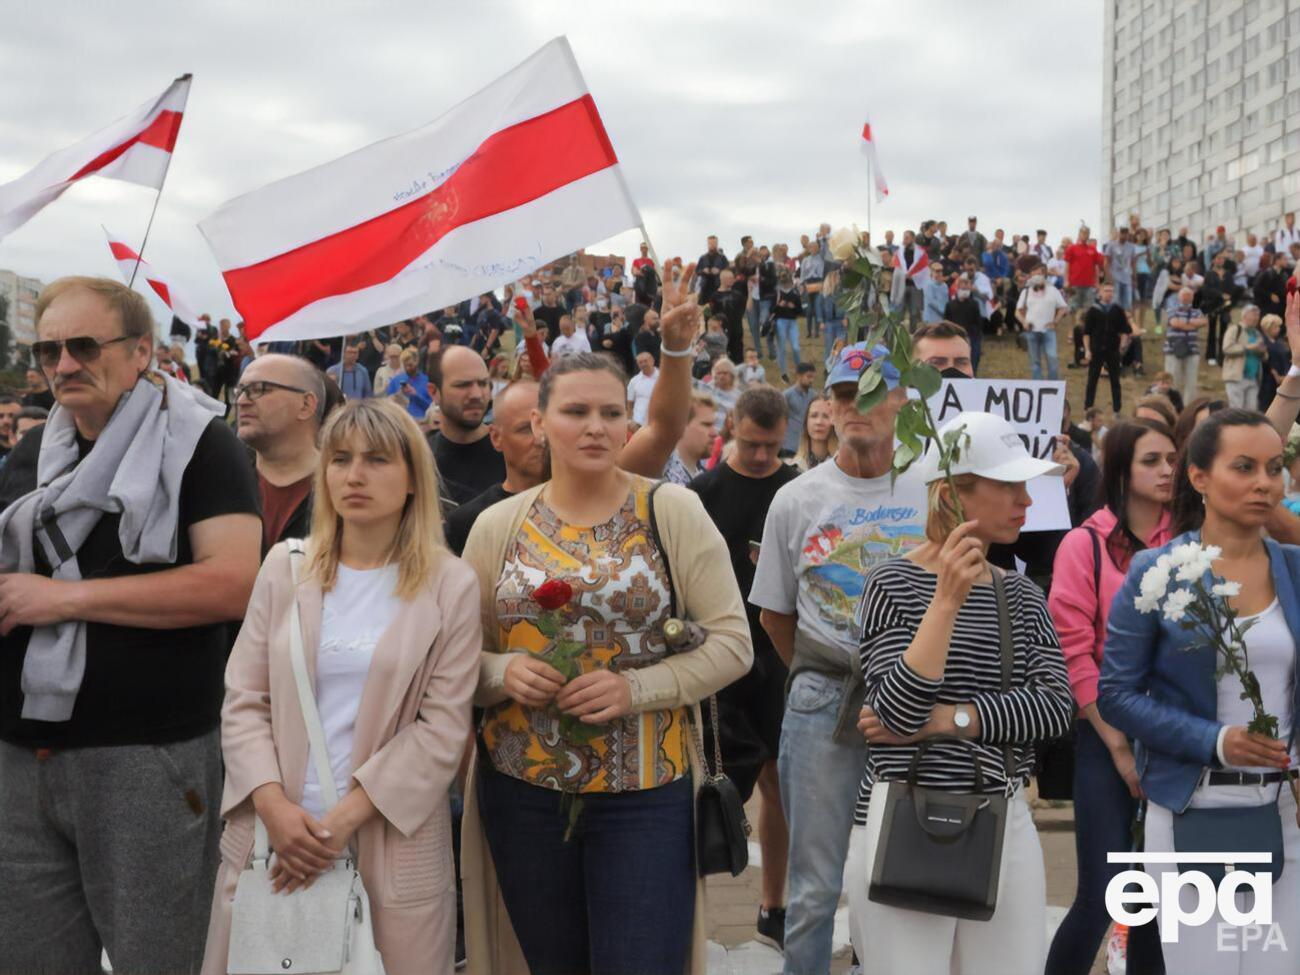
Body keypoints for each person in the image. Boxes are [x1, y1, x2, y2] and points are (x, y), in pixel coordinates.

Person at [0, 277, 261, 974]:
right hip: (21, 757)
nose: (62, 363)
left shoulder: (203, 444)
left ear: (141, 350)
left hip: (146, 757)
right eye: (48, 347)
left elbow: (234, 583)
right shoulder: (35, 452)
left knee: (160, 962)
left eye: (84, 344)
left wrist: (63, 601)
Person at [459, 352, 751, 975]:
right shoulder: (495, 526)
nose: (595, 426)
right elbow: (457, 658)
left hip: (645, 792)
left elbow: (733, 643)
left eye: (611, 412)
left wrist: (637, 688)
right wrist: (501, 673)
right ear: (538, 424)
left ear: (628, 425)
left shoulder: (670, 510)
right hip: (522, 794)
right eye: (575, 411)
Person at [202, 399, 481, 975]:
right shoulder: (285, 567)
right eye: (341, 459)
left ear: (412, 479)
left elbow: (442, 727)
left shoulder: (449, 584)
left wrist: (337, 825)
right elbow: (245, 699)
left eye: (377, 460)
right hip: (271, 844)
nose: (354, 475)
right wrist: (274, 807)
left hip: (387, 844)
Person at [846, 410, 1074, 975]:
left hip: (1002, 815)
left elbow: (1054, 709)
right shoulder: (892, 582)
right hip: (903, 811)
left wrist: (953, 719)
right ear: (951, 495)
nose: (1027, 499)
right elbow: (897, 714)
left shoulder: (1021, 593)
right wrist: (945, 601)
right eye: (1009, 485)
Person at [1099, 409, 1300, 975]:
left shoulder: (1295, 569)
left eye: (1274, 467)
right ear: (1199, 477)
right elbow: (1116, 693)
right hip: (1195, 808)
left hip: (1285, 812)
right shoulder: (1156, 572)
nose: (1264, 482)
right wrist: (1216, 740)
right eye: (1244, 467)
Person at [751, 342, 929, 975]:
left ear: (902, 399)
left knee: (917, 875)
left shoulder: (932, 488)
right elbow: (774, 613)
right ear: (826, 404)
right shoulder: (796, 499)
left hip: (920, 704)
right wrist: (825, 672)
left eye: (872, 391)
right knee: (812, 887)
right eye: (844, 395)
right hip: (822, 702)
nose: (856, 407)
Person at [1044, 420, 1176, 975]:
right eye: (1152, 460)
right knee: (1103, 890)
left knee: (1157, 902)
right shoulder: (1085, 543)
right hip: (1105, 731)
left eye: (1172, 458)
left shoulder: (1193, 539)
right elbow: (1074, 650)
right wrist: (1118, 746)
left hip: (1176, 734)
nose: (1168, 470)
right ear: (1121, 470)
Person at [689, 385, 801, 951]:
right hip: (716, 659)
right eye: (753, 445)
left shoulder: (797, 489)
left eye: (772, 447)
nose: (761, 457)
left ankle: (774, 905)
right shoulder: (702, 493)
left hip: (780, 657)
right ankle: (696, 916)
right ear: (731, 427)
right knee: (710, 790)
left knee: (781, 786)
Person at [235, 354, 327, 554]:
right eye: (240, 390)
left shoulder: (344, 491)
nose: (242, 401)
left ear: (306, 405)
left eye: (259, 389)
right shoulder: (221, 484)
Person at [427, 346, 506, 508]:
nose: (477, 394)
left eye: (483, 384)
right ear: (434, 392)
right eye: (463, 385)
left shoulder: (511, 449)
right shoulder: (421, 458)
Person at [1082, 283, 1132, 414]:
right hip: (1096, 349)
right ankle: (1088, 407)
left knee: (1115, 380)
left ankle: (1117, 409)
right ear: (1100, 293)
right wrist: (1087, 350)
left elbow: (1126, 330)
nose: (1109, 294)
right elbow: (1086, 333)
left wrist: (1122, 344)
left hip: (1112, 349)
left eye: (1111, 291)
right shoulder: (1093, 311)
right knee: (1092, 379)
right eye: (1106, 291)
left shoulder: (1117, 310)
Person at [1015, 271, 1068, 380]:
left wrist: (1055, 321)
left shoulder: (1053, 291)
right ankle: (1037, 388)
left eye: (1040, 275)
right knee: (1035, 362)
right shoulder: (1026, 292)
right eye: (1035, 275)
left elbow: (1063, 307)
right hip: (1032, 330)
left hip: (1048, 331)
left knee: (1052, 358)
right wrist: (1024, 322)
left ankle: (1053, 387)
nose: (1038, 278)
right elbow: (1017, 311)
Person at [1163, 286, 1208, 405]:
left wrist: (1184, 323)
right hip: (1173, 350)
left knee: (1191, 382)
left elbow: (1204, 322)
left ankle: (1188, 407)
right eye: (1184, 295)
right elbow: (1175, 323)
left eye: (1189, 296)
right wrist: (1192, 324)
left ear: (1192, 298)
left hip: (1192, 350)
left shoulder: (1197, 311)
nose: (1186, 298)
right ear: (1179, 297)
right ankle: (1173, 405)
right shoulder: (1172, 309)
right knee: (1173, 380)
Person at [663, 390, 717, 486]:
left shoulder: (707, 481)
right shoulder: (659, 468)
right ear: (681, 425)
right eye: (706, 425)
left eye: (714, 425)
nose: (714, 433)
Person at [1222, 303, 1267, 411]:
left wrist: (1262, 352)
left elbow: (1265, 357)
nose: (1257, 318)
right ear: (1244, 315)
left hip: (1253, 378)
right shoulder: (1234, 329)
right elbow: (1227, 349)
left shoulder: (1257, 333)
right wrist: (1249, 347)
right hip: (1236, 377)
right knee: (1237, 411)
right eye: (1254, 315)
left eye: (1258, 315)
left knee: (1251, 413)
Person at [943, 279, 986, 374]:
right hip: (954, 337)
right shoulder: (950, 305)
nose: (965, 291)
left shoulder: (974, 304)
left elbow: (978, 323)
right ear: (958, 289)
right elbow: (946, 322)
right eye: (963, 288)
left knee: (973, 359)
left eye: (967, 289)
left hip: (972, 337)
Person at [1064, 227, 1107, 320]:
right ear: (1079, 234)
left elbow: (1096, 267)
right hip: (1074, 283)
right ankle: (1073, 330)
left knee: (1088, 309)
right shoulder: (1071, 248)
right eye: (1083, 233)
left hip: (1089, 285)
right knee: (1073, 308)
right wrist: (1066, 280)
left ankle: (1085, 330)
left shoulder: (1092, 249)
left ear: (1089, 235)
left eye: (1086, 233)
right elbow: (1067, 266)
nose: (1084, 235)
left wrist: (1097, 282)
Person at [772, 268, 804, 382]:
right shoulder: (777, 294)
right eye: (782, 280)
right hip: (780, 321)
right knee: (782, 349)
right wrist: (779, 305)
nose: (785, 283)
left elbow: (800, 311)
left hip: (792, 322)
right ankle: (784, 373)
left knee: (795, 347)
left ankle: (799, 369)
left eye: (786, 280)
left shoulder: (794, 294)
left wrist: (793, 307)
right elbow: (772, 311)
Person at [781, 362, 818, 457]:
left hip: (808, 446)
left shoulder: (814, 396)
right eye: (808, 376)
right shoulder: (787, 395)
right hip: (789, 446)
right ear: (799, 376)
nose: (811, 380)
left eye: (813, 377)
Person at [385, 347, 433, 419]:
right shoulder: (396, 380)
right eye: (405, 365)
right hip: (401, 421)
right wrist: (398, 396)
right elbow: (388, 405)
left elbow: (432, 408)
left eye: (410, 365)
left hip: (422, 422)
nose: (407, 368)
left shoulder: (427, 381)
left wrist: (415, 395)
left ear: (417, 361)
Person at [792, 395, 836, 471]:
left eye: (826, 416)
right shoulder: (793, 467)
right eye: (814, 416)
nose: (819, 422)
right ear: (806, 422)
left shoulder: (842, 466)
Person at [626, 351, 659, 429]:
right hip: (638, 423)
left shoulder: (663, 378)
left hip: (660, 423)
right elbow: (630, 404)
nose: (643, 364)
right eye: (640, 362)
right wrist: (629, 421)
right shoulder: (634, 381)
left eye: (645, 361)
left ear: (652, 361)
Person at [707, 357, 741, 432]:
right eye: (719, 373)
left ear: (732, 375)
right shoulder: (706, 390)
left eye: (725, 373)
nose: (721, 376)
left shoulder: (739, 397)